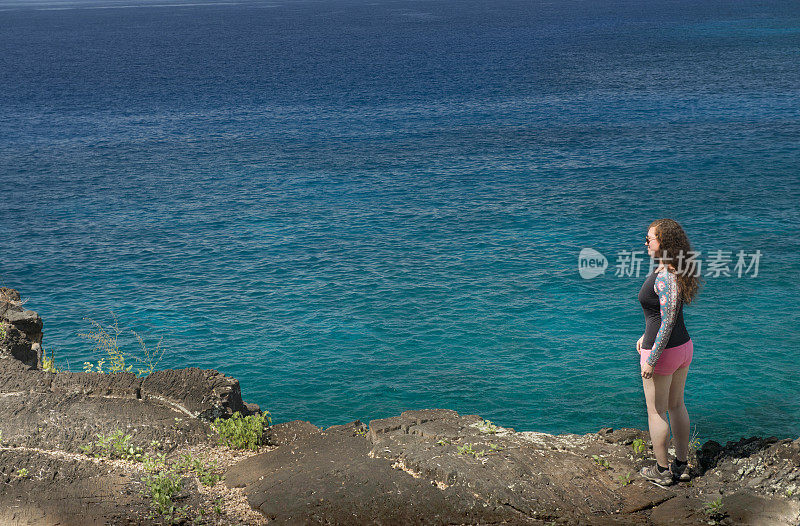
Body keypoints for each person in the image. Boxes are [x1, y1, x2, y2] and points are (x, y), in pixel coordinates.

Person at [636, 218, 701, 486]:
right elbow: (660, 315)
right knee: (676, 405)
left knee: (656, 411)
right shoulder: (674, 270)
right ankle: (682, 465)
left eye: (649, 239)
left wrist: (651, 358)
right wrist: (644, 336)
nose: (645, 243)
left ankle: (662, 472)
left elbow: (668, 320)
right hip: (682, 348)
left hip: (664, 353)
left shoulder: (665, 277)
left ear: (662, 242)